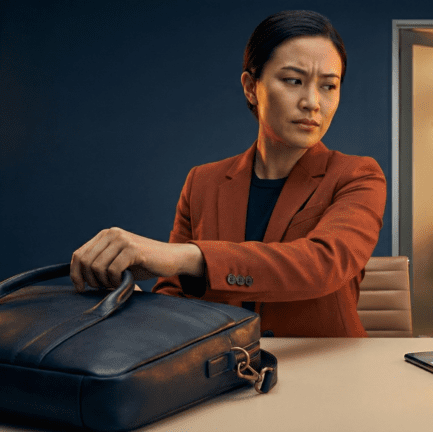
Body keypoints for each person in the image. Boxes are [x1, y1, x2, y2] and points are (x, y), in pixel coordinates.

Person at [69, 10, 386, 337]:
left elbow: (323, 265)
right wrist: (131, 300)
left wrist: (186, 256)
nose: (312, 102)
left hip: (331, 370)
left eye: (328, 86)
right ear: (251, 88)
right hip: (222, 369)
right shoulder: (202, 182)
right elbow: (174, 294)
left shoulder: (358, 176)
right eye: (293, 81)